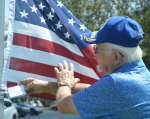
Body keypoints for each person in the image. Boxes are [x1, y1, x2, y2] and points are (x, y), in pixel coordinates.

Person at [18, 16, 150, 118]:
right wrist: (45, 86)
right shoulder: (141, 75)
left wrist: (63, 82)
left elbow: (64, 105)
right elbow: (97, 92)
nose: (95, 54)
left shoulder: (116, 84)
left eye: (97, 49)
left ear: (116, 57)